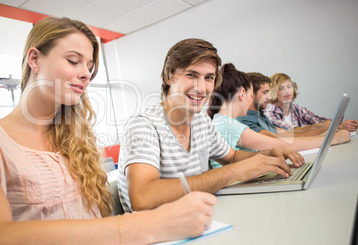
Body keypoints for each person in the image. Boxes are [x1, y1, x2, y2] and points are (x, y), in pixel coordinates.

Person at [0, 17, 218, 244]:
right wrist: (152, 224)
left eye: (89, 67)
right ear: (34, 59)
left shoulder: (78, 139)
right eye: (73, 61)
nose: (85, 74)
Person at [118, 38, 304, 213]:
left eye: (209, 77)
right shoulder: (144, 125)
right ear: (168, 76)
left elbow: (231, 158)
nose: (201, 88)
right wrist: (233, 173)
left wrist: (267, 155)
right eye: (191, 75)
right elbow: (142, 198)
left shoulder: (201, 121)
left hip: (198, 218)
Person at [206, 64, 350, 155]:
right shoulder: (227, 125)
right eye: (251, 95)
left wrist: (324, 134)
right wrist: (332, 139)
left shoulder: (224, 122)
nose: (250, 100)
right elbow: (280, 143)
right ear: (242, 94)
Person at [238, 72, 334, 137]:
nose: (269, 97)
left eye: (289, 87)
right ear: (251, 94)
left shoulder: (260, 115)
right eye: (265, 93)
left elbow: (288, 133)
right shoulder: (245, 120)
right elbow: (280, 138)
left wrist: (327, 127)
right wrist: (327, 132)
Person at [264, 73, 358, 132]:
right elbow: (294, 132)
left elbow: (318, 120)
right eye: (281, 88)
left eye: (289, 87)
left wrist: (337, 124)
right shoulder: (269, 110)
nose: (287, 91)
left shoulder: (296, 108)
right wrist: (336, 127)